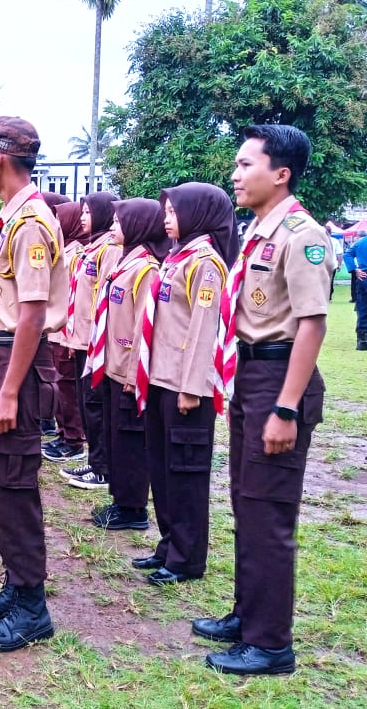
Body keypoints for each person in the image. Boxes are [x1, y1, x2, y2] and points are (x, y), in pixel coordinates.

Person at [196, 125, 333, 676]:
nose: (235, 174)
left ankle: (271, 644)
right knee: (248, 505)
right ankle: (248, 613)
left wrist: (286, 408)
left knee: (269, 515)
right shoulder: (257, 232)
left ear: (281, 173)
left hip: (277, 381)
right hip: (249, 376)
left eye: (246, 164)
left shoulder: (301, 234)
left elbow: (312, 326)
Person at [0, 116, 65, 652]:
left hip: (17, 366)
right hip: (4, 360)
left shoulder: (29, 224)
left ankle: (32, 606)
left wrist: (6, 391)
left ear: (0, 157)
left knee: (14, 484)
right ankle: (16, 583)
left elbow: (30, 315)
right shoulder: (14, 218)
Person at [133, 183, 237, 588]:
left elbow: (202, 329)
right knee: (162, 468)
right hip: (161, 378)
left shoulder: (205, 264)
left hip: (184, 387)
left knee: (185, 472)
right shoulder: (178, 258)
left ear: (198, 214)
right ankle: (168, 545)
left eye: (174, 211)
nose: (166, 218)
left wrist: (193, 388)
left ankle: (187, 559)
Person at [86, 199, 170, 533]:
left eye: (120, 222)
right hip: (111, 364)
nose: (112, 228)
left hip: (127, 371)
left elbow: (143, 327)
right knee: (115, 437)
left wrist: (135, 372)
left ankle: (133, 507)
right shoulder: (126, 262)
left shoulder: (145, 268)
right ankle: (120, 500)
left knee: (130, 441)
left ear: (138, 226)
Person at [58, 192, 120, 490]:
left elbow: (103, 300)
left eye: (87, 212)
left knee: (95, 405)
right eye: (80, 212)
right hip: (80, 338)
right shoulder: (91, 247)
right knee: (87, 404)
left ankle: (104, 466)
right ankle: (96, 462)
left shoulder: (108, 249)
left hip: (94, 341)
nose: (82, 217)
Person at [41, 202, 89, 464]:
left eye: (60, 219)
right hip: (56, 331)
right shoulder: (66, 248)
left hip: (67, 332)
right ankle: (63, 433)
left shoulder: (79, 252)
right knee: (60, 386)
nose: (56, 224)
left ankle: (73, 438)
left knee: (68, 387)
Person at [342, 229, 367, 349]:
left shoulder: (360, 242)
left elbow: (347, 254)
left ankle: (362, 340)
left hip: (363, 276)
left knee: (362, 307)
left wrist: (354, 269)